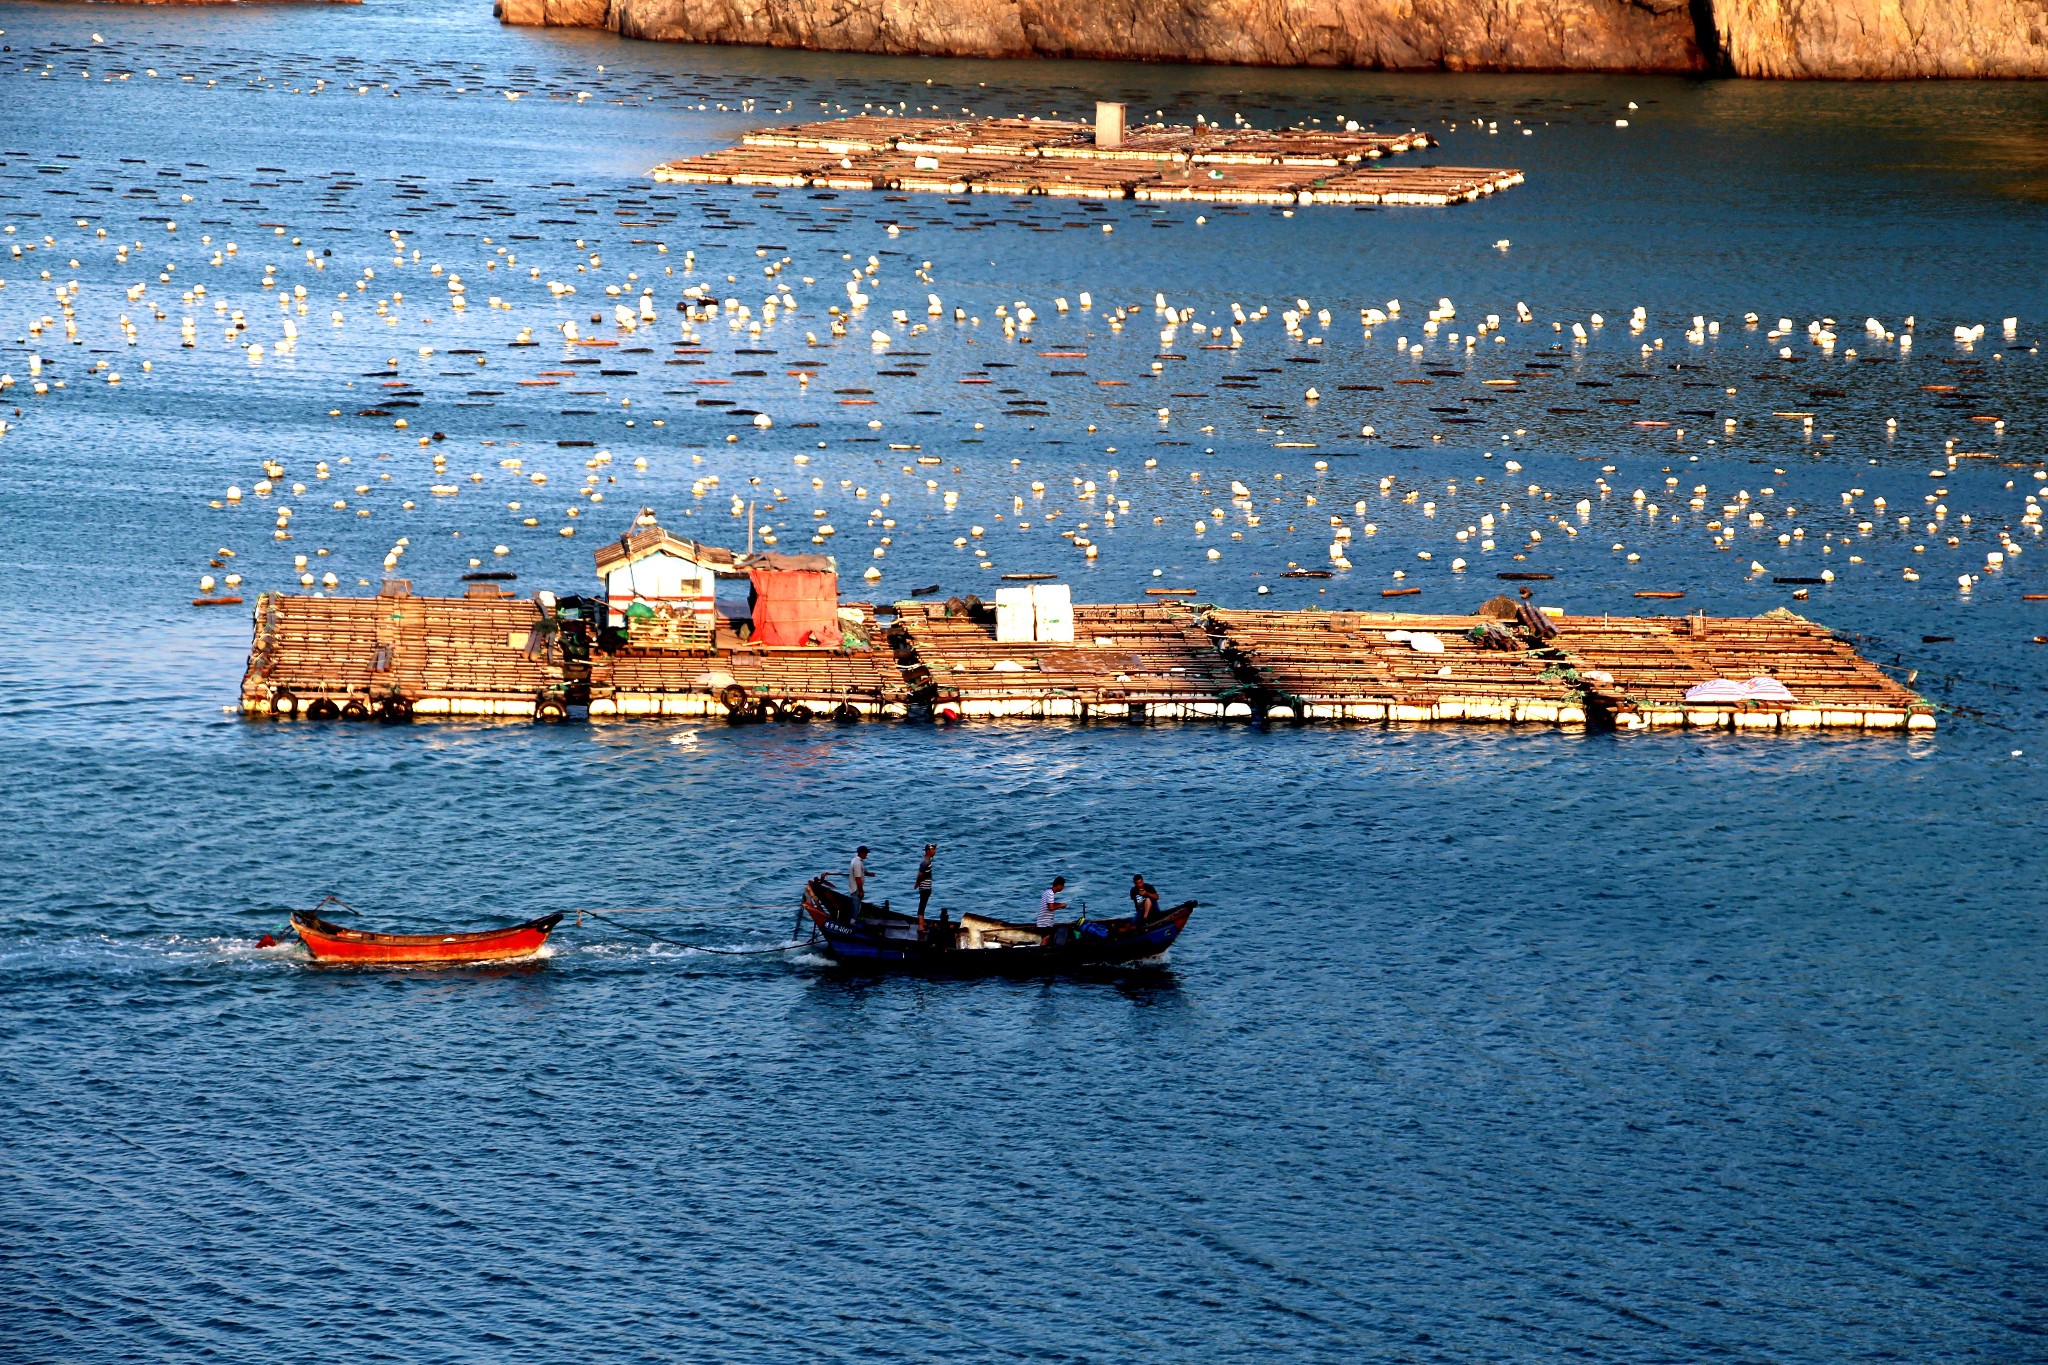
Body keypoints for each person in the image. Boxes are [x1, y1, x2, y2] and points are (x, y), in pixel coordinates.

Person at [915, 843, 936, 938]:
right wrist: (917, 883)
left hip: (927, 886)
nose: (934, 851)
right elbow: (920, 874)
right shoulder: (925, 862)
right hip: (924, 886)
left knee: (924, 903)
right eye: (932, 850)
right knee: (922, 904)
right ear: (928, 851)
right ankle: (920, 925)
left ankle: (922, 921)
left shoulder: (928, 861)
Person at [848, 846, 869, 919]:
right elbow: (858, 879)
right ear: (861, 853)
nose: (866, 855)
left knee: (855, 907)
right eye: (866, 853)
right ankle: (852, 924)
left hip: (853, 888)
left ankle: (853, 922)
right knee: (856, 909)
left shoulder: (854, 860)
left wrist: (867, 873)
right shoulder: (858, 863)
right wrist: (861, 891)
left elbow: (859, 872)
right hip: (856, 889)